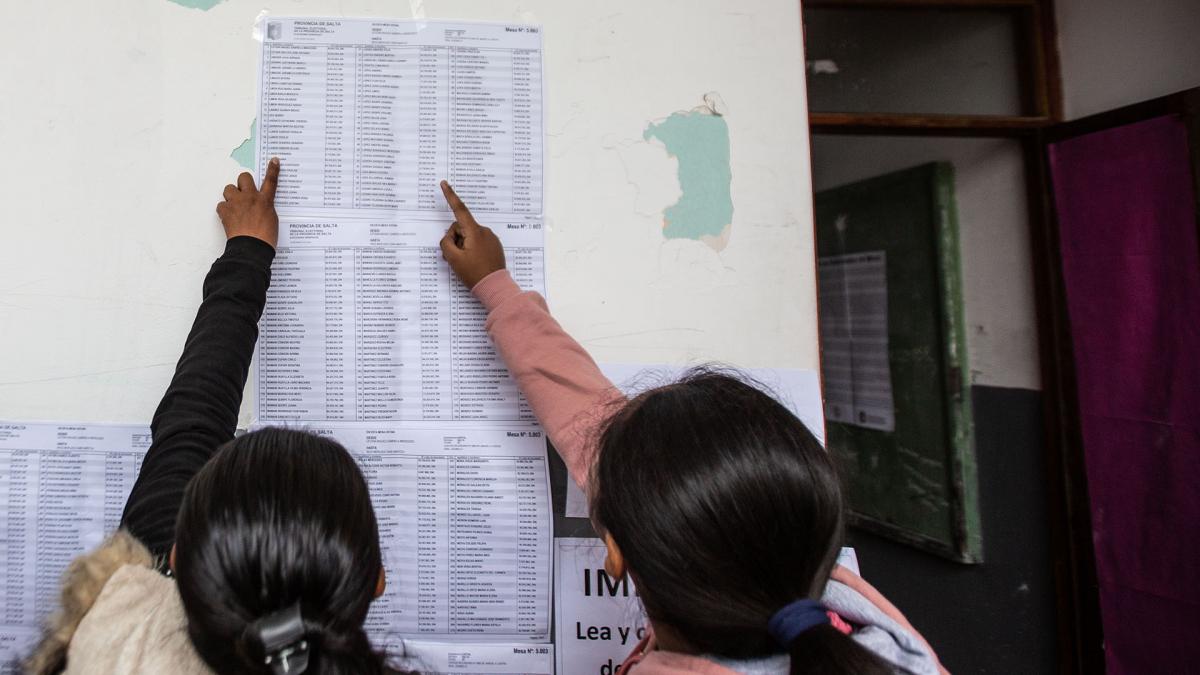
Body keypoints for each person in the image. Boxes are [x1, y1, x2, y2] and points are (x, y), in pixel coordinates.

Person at [437, 182, 949, 675]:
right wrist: (497, 290)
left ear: (615, 555)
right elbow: (602, 430)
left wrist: (498, 291)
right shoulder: (867, 636)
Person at [26, 160, 406, 675]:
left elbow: (193, 422)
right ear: (377, 583)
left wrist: (248, 253)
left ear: (174, 559)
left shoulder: (116, 633)